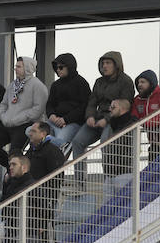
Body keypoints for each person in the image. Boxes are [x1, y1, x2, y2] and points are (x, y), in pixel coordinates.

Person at [72, 51, 135, 180]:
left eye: (108, 63)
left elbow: (124, 106)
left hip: (114, 120)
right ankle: (79, 182)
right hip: (96, 118)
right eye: (102, 63)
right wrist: (89, 116)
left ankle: (108, 179)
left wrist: (107, 120)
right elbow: (91, 102)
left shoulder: (126, 81)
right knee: (77, 141)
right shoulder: (99, 82)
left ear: (116, 65)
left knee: (105, 142)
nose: (104, 66)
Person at [0, 57, 49, 169]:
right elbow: (3, 104)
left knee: (15, 153)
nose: (15, 69)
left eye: (19, 66)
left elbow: (38, 110)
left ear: (27, 68)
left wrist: (20, 118)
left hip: (26, 124)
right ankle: (12, 168)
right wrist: (4, 117)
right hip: (7, 123)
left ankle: (19, 172)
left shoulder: (37, 86)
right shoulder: (12, 85)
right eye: (15, 66)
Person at [45, 53, 91, 151]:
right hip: (54, 121)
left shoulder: (82, 83)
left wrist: (65, 119)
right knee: (30, 131)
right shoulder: (55, 85)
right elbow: (50, 104)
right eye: (56, 68)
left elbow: (84, 107)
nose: (58, 70)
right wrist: (51, 115)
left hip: (73, 123)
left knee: (59, 141)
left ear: (69, 66)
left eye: (61, 67)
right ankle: (47, 140)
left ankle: (45, 140)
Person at [132, 70, 160, 160]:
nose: (139, 85)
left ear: (151, 83)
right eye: (138, 82)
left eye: (143, 82)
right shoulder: (137, 100)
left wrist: (144, 122)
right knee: (152, 167)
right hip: (154, 143)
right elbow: (134, 116)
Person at [104, 98, 139, 176]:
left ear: (122, 109)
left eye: (113, 107)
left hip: (125, 172)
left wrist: (120, 167)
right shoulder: (113, 124)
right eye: (110, 107)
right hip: (110, 172)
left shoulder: (132, 125)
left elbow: (131, 150)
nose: (110, 109)